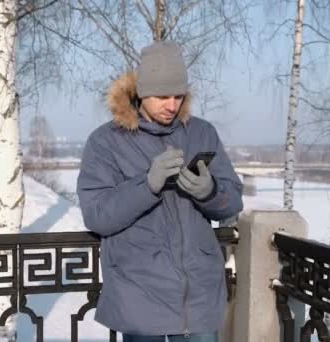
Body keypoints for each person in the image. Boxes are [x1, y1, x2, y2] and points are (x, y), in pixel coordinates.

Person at [76, 41, 244, 342]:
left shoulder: (202, 132)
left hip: (199, 297)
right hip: (140, 296)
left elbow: (232, 200)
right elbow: (97, 214)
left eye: (179, 95)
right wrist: (147, 185)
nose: (172, 105)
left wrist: (210, 191)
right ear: (142, 93)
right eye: (163, 96)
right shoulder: (105, 142)